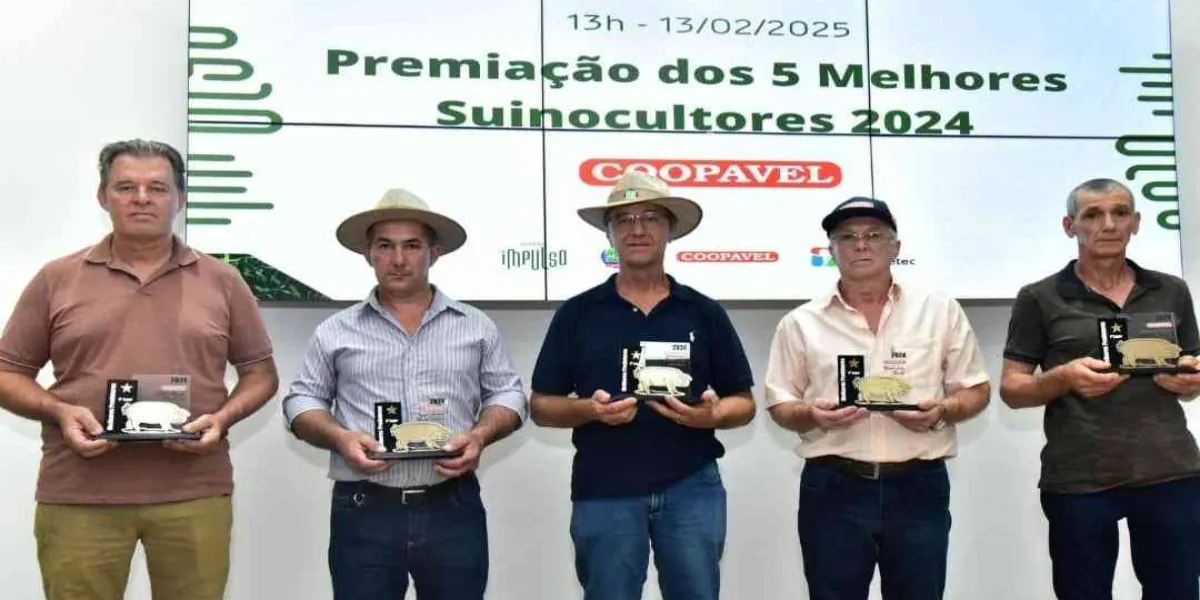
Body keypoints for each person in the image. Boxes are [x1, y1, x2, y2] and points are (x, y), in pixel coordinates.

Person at [0, 139, 279, 600]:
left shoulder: (223, 281)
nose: (142, 198)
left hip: (194, 493)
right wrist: (60, 412)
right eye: (126, 187)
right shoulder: (56, 278)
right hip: (79, 495)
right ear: (103, 196)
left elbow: (261, 374)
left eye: (158, 188)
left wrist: (223, 419)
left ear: (180, 199)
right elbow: (7, 373)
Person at [281, 188, 528, 600]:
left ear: (435, 253)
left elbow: (509, 395)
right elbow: (301, 402)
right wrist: (340, 438)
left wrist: (480, 435)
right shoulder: (335, 331)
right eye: (385, 246)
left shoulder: (476, 326)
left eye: (412, 246)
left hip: (452, 506)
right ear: (368, 255)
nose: (398, 259)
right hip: (364, 508)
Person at [529, 169, 756, 600]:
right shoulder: (578, 313)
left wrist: (710, 416)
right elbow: (541, 405)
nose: (637, 229)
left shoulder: (704, 312)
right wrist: (589, 410)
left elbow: (743, 403)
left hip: (692, 485)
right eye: (624, 219)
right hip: (604, 487)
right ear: (609, 233)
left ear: (670, 230)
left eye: (650, 218)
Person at [763, 196, 991, 600]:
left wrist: (942, 412)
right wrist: (812, 415)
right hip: (834, 487)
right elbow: (781, 405)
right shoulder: (799, 323)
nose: (861, 245)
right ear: (831, 250)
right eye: (847, 237)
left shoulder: (939, 311)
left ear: (895, 247)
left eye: (874, 235)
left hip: (918, 485)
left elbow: (976, 390)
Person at [999, 177, 1200, 600]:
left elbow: (1193, 368)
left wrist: (1189, 380)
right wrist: (1063, 378)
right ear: (1069, 226)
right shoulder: (1039, 297)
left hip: (1170, 471)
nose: (1108, 225)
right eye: (1093, 215)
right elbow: (1012, 389)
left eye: (1120, 213)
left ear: (1136, 222)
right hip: (1079, 479)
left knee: (1177, 592)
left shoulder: (1171, 290)